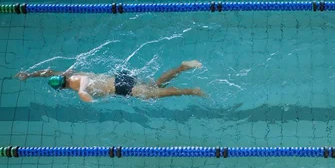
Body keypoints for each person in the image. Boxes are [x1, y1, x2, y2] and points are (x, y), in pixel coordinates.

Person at [15, 60, 205, 102]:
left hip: (119, 87)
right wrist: (29, 74)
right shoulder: (71, 73)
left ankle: (192, 91)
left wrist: (90, 100)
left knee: (154, 94)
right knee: (155, 85)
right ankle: (181, 68)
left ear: (62, 88)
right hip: (119, 78)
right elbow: (47, 72)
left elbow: (82, 91)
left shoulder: (75, 84)